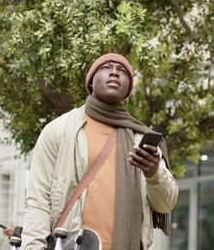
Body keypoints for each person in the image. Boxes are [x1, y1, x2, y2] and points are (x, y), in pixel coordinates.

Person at [22, 53, 179, 250]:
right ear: (90, 80)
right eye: (107, 67)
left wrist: (153, 173)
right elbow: (38, 200)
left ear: (128, 88)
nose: (114, 72)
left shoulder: (141, 138)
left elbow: (166, 204)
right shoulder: (59, 130)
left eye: (122, 71)